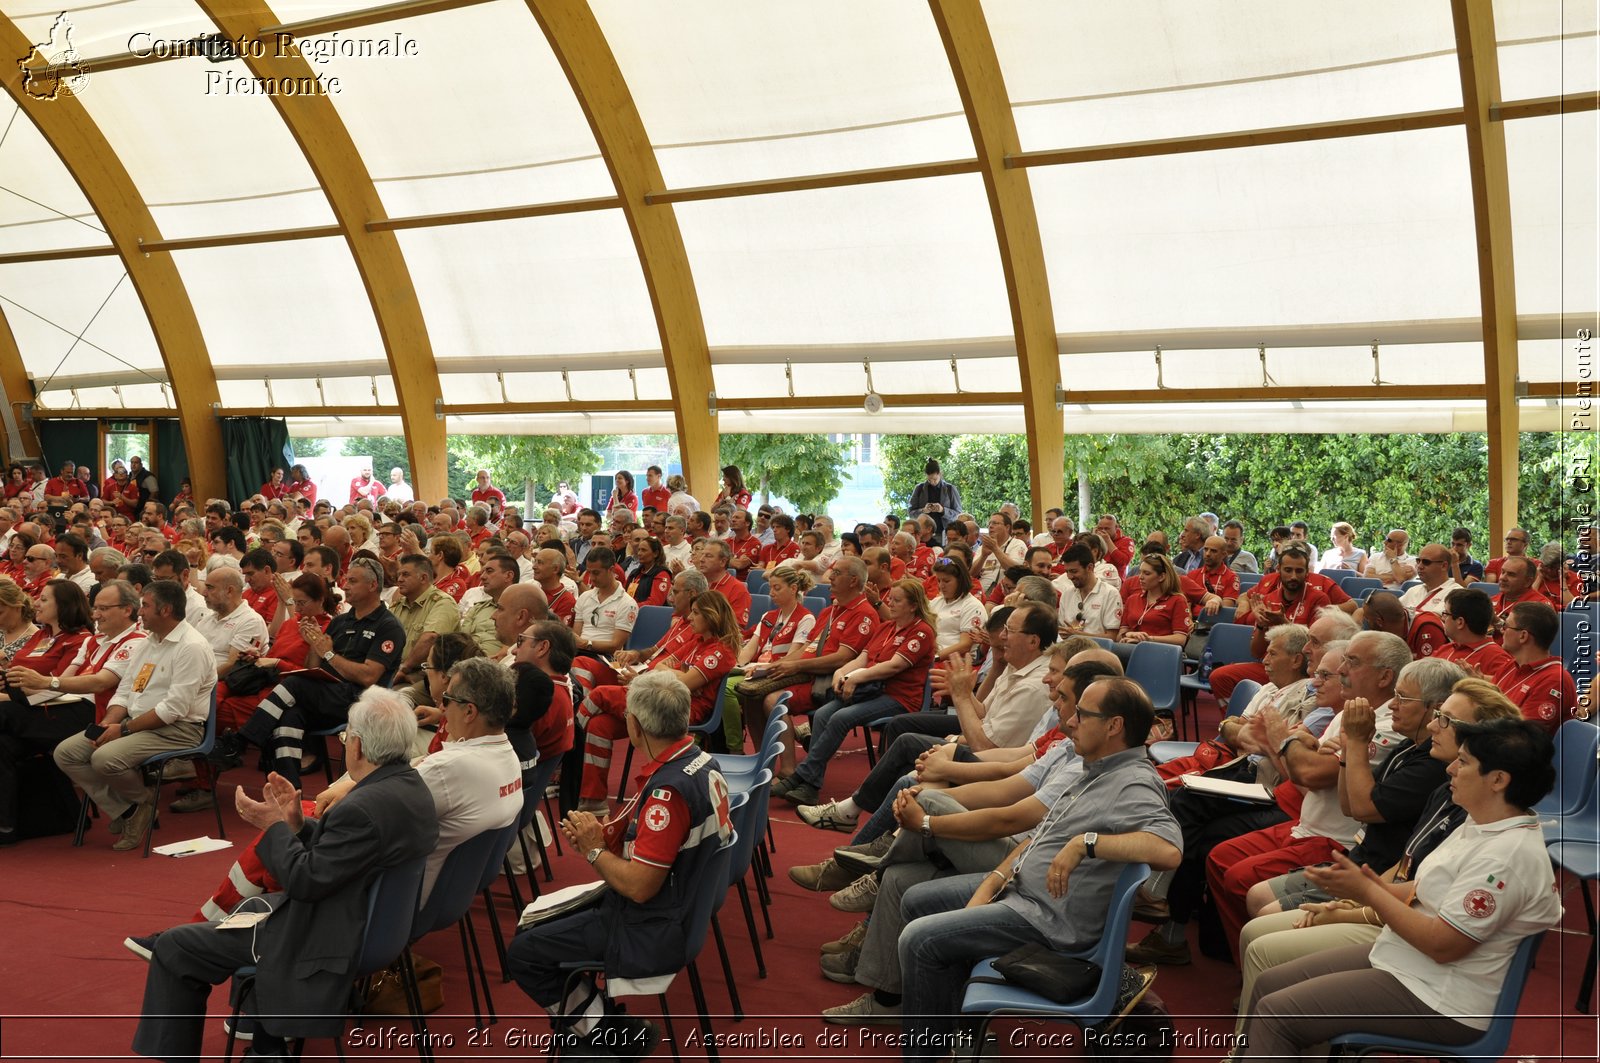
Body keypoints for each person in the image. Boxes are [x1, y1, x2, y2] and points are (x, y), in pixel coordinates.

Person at [130, 690, 439, 1062]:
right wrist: (296, 826)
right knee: (251, 905)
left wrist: (275, 827)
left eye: (344, 738)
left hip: (325, 936)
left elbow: (305, 882)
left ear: (356, 745)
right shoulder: (409, 787)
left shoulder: (362, 805)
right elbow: (344, 858)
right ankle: (267, 1045)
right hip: (374, 928)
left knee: (175, 946)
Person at [884, 678, 1181, 1054]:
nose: (1070, 721)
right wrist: (992, 882)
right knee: (917, 902)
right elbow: (1036, 838)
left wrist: (1085, 844)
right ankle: (957, 1036)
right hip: (1024, 895)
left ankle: (931, 1053)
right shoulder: (1094, 768)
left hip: (1048, 921)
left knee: (920, 939)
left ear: (1114, 726)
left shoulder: (1132, 782)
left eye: (1081, 714)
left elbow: (1169, 848)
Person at [1239, 719, 1563, 1059]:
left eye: (1464, 762)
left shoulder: (1507, 858)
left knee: (1278, 1014)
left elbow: (1442, 945)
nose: (1450, 768)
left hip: (1442, 997)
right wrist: (1350, 894)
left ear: (1498, 780)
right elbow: (1421, 890)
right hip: (1408, 960)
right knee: (1269, 983)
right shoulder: (1481, 820)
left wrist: (1368, 893)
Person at [506, 671, 732, 1053]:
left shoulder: (668, 792)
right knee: (536, 925)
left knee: (524, 952)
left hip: (653, 925)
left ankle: (606, 1034)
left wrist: (594, 851)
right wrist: (606, 834)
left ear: (636, 726)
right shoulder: (699, 761)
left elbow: (640, 887)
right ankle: (603, 1020)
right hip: (683, 911)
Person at [45, 581, 213, 850]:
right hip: (135, 722)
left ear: (166, 610)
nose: (139, 612)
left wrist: (122, 731)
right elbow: (124, 692)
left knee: (104, 758)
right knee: (66, 753)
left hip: (178, 728)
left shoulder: (190, 647)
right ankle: (131, 809)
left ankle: (140, 804)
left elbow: (173, 710)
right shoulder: (149, 643)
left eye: (145, 606)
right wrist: (109, 723)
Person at [227, 558, 406, 788]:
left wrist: (329, 654)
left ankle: (242, 740)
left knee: (295, 683)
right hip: (329, 695)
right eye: (346, 580)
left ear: (372, 586)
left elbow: (368, 677)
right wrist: (313, 643)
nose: (346, 585)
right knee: (288, 718)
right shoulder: (341, 621)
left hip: (362, 701)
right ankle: (290, 791)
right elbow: (314, 667)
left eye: (352, 580)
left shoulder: (387, 625)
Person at [774, 580, 937, 807]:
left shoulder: (922, 632)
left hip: (899, 697)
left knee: (841, 717)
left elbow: (894, 666)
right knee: (822, 714)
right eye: (891, 598)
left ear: (913, 606)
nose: (890, 603)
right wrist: (841, 673)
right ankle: (810, 784)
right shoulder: (887, 626)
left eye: (897, 600)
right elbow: (862, 658)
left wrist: (855, 677)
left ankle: (803, 779)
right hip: (870, 691)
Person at [574, 588, 739, 809]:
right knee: (598, 725)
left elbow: (683, 684)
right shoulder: (698, 641)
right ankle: (594, 800)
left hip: (679, 708)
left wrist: (669, 673)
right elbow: (660, 667)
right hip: (659, 695)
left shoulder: (721, 652)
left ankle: (569, 746)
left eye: (696, 613)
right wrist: (670, 673)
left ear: (712, 615)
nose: (690, 617)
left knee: (601, 694)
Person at [1495, 600, 1580, 732]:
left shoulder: (1554, 681)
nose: (1502, 630)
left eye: (1506, 626)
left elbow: (1521, 736)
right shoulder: (1511, 665)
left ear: (1523, 636)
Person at [1112, 552, 1192, 659]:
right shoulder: (1133, 599)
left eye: (1147, 573)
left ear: (1161, 577)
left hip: (1161, 654)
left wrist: (1148, 639)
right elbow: (1119, 636)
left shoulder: (1177, 600)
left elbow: (1180, 639)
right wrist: (1129, 635)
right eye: (1140, 572)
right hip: (1130, 651)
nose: (1140, 577)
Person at [1398, 543, 1461, 618]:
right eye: (1418, 561)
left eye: (1426, 562)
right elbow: (1392, 612)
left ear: (1444, 566)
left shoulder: (1456, 594)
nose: (1420, 566)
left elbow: (1433, 620)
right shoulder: (1413, 591)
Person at [907, 459, 961, 537]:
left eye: (935, 479)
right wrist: (923, 510)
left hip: (944, 533)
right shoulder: (919, 488)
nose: (932, 482)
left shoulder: (950, 489)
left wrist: (942, 510)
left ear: (940, 474)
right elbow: (910, 513)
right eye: (929, 480)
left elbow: (958, 514)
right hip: (922, 534)